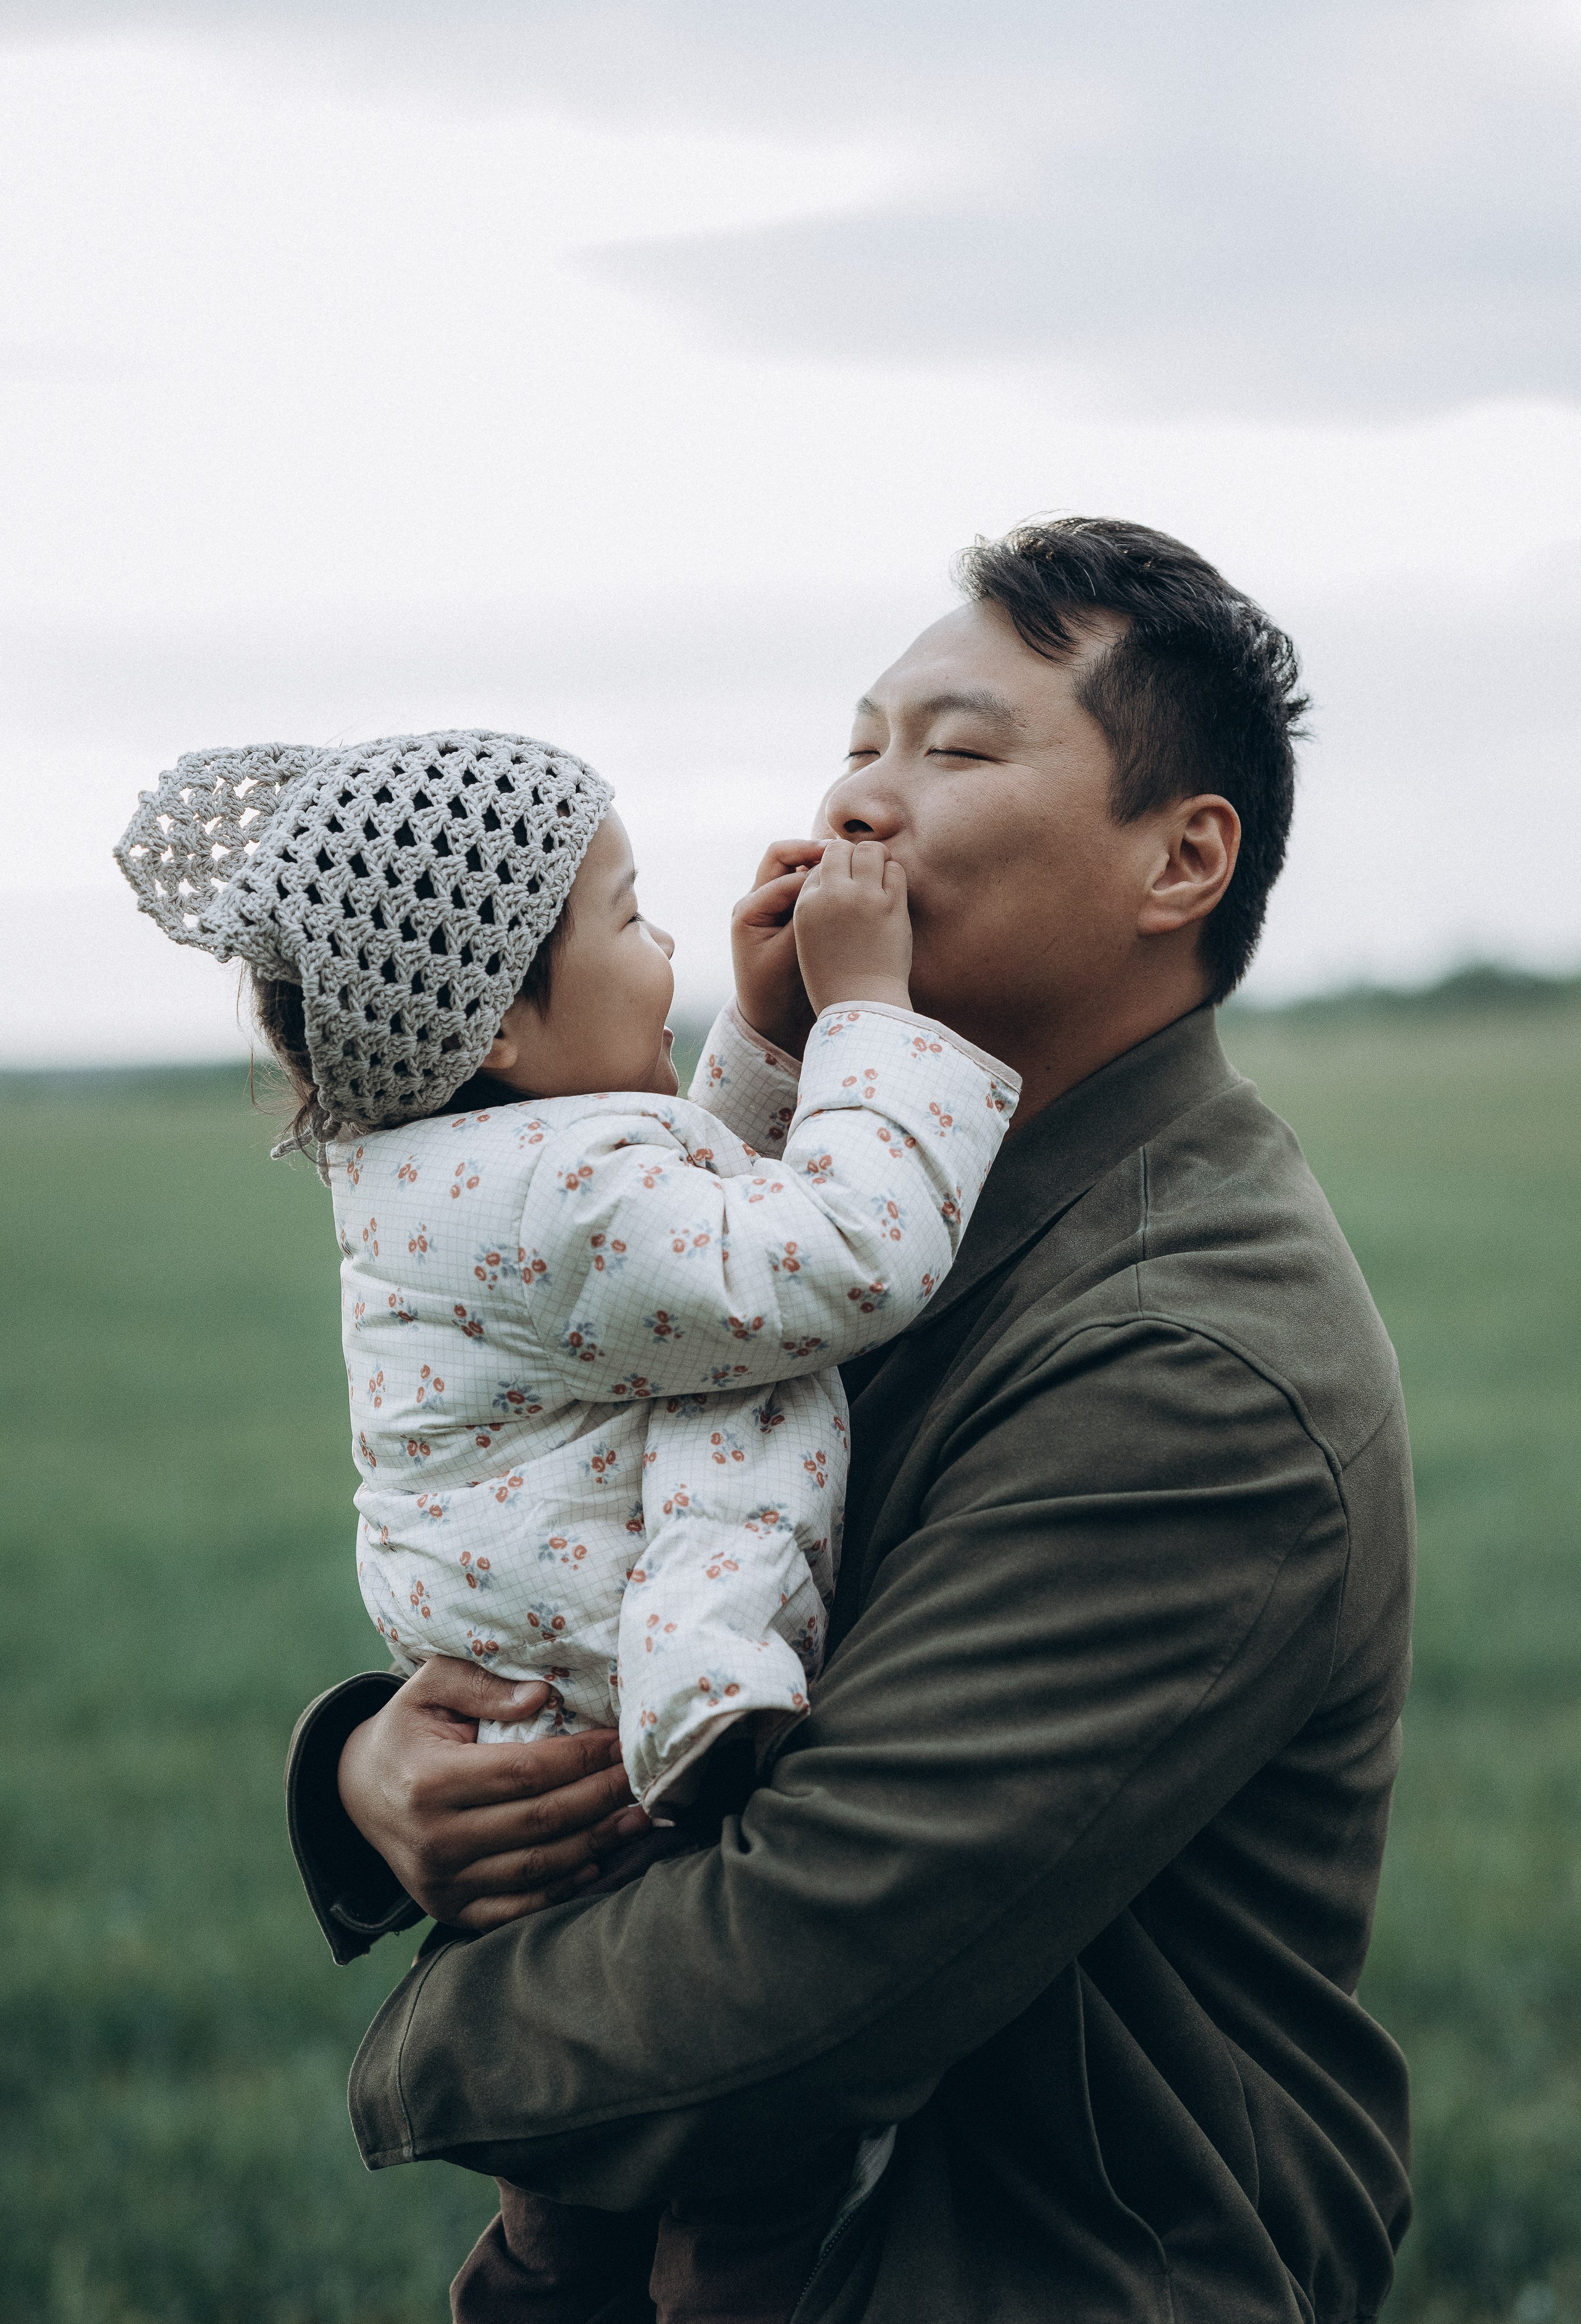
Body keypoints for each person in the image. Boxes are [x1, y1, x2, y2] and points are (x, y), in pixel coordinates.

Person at [286, 519, 1416, 2324]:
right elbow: (635, 1524)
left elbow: (800, 1975)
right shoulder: (861, 1197)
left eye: (955, 750)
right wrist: (373, 1784)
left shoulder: (1193, 1359)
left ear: (1181, 859)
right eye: (862, 740)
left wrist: (428, 2042)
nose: (864, 801)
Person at [115, 727, 1017, 2320]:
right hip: (621, 1722)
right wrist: (874, 1019)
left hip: (529, 1700)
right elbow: (820, 1258)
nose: (665, 945)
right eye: (629, 915)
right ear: (505, 1024)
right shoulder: (562, 1200)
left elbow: (685, 1218)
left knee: (575, 2219)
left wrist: (755, 1027)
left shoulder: (474, 1169)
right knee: (749, 2203)